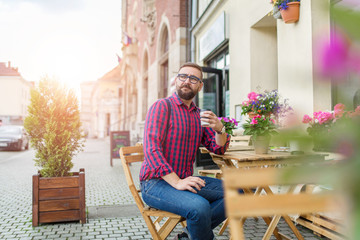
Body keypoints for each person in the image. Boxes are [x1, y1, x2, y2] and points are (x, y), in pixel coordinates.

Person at [140, 62, 230, 240]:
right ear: (176, 80)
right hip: (155, 183)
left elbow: (218, 148)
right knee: (200, 207)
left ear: (200, 85)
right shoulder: (162, 107)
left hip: (186, 180)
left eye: (193, 78)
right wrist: (176, 182)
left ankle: (190, 235)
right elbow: (152, 150)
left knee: (238, 192)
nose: (187, 81)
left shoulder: (200, 115)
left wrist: (221, 130)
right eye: (183, 76)